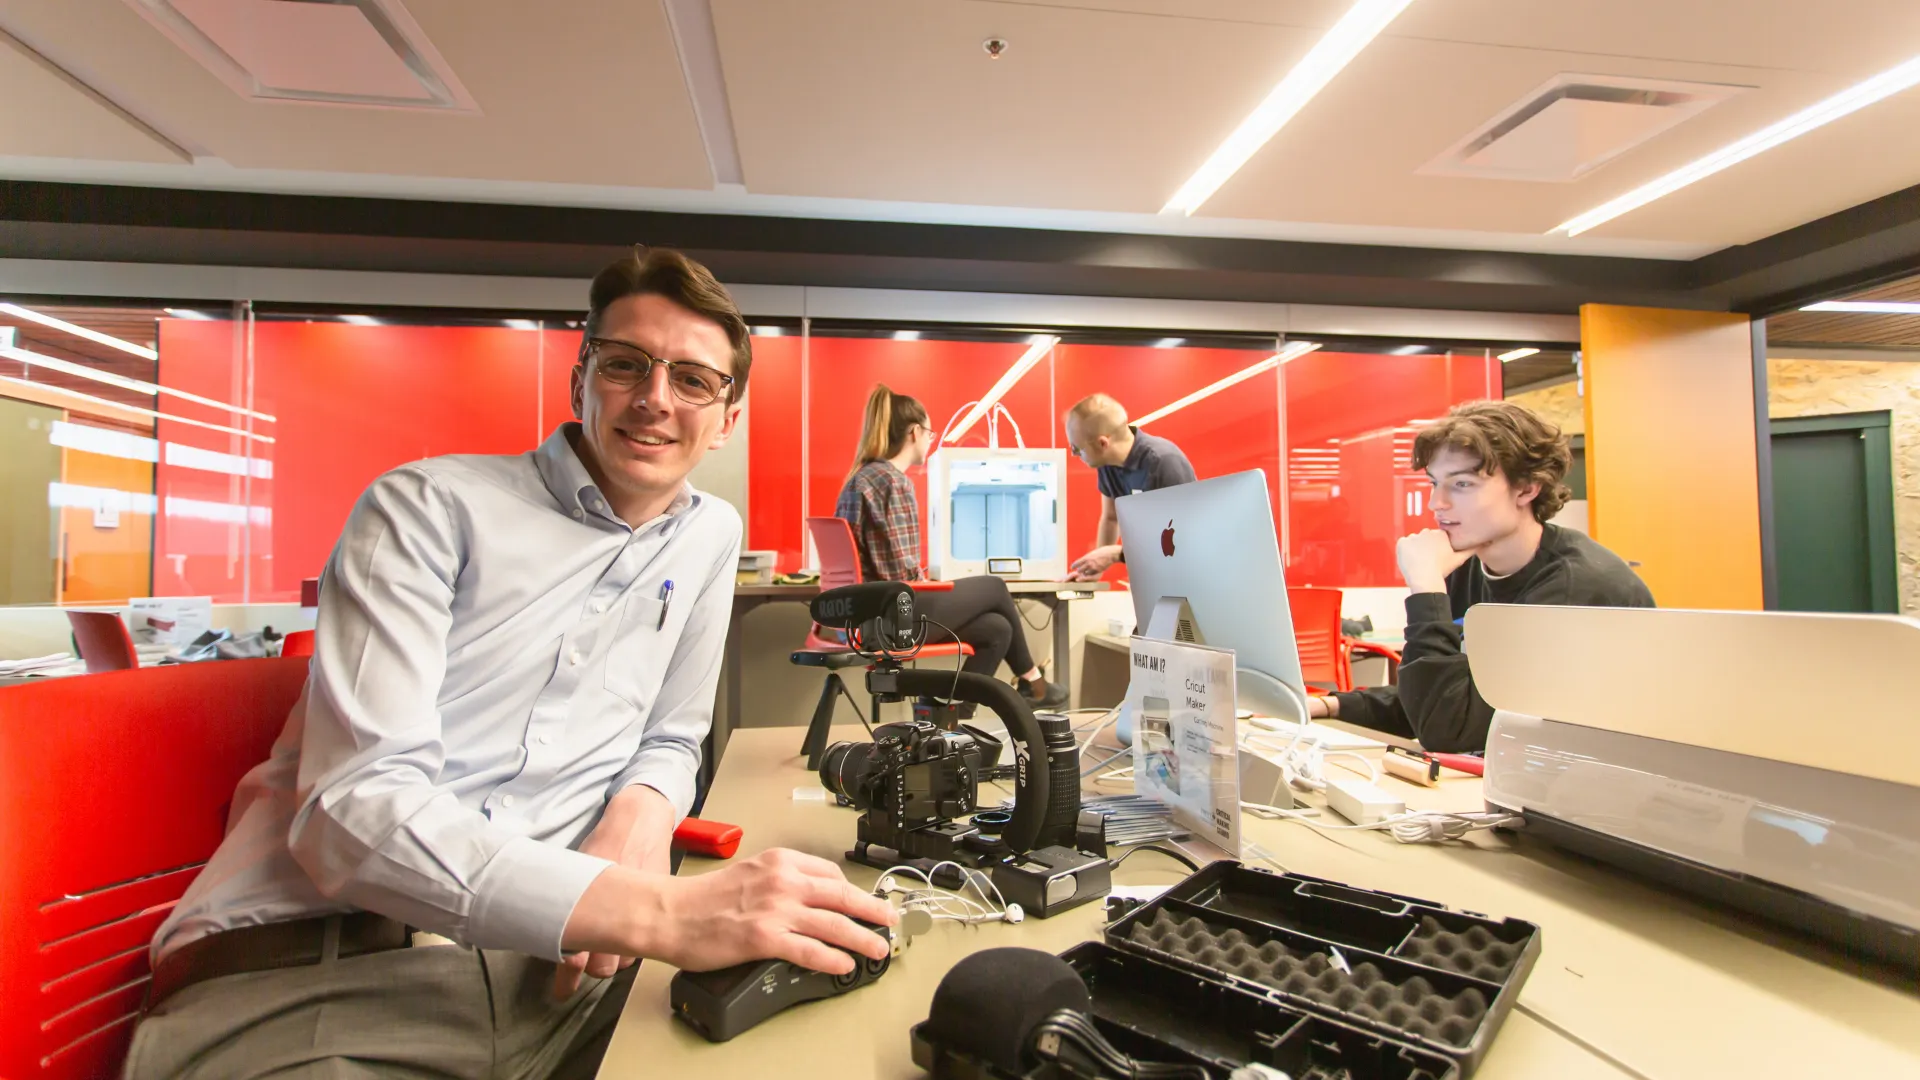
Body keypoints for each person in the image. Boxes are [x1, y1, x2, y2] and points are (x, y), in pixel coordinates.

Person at [126, 249, 894, 1080]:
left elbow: (673, 737)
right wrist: (658, 912)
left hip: (568, 984)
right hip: (330, 974)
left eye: (694, 381)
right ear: (580, 377)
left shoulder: (709, 534)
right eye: (627, 364)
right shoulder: (425, 509)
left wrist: (633, 828)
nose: (655, 400)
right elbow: (354, 815)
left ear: (728, 417)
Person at [1312, 400, 1654, 752]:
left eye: (1461, 484)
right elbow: (1442, 695)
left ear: (1526, 489)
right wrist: (1328, 705)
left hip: (1605, 788)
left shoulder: (1575, 587)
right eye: (1434, 483)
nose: (1436, 503)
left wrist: (1426, 588)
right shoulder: (1469, 567)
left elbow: (1450, 729)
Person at [836, 385, 1070, 708]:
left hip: (862, 622)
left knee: (997, 630)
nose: (930, 441)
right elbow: (900, 576)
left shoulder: (861, 477)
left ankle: (947, 713)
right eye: (930, 433)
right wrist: (934, 583)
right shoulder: (893, 481)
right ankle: (1033, 680)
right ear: (914, 432)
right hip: (894, 620)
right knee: (995, 587)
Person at [1062, 392, 1196, 581]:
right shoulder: (1107, 463)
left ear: (1103, 443)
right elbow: (1110, 518)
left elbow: (1183, 537)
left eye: (1077, 448)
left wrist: (1117, 554)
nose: (1074, 455)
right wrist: (1094, 570)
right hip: (1155, 573)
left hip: (1188, 575)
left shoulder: (1164, 463)